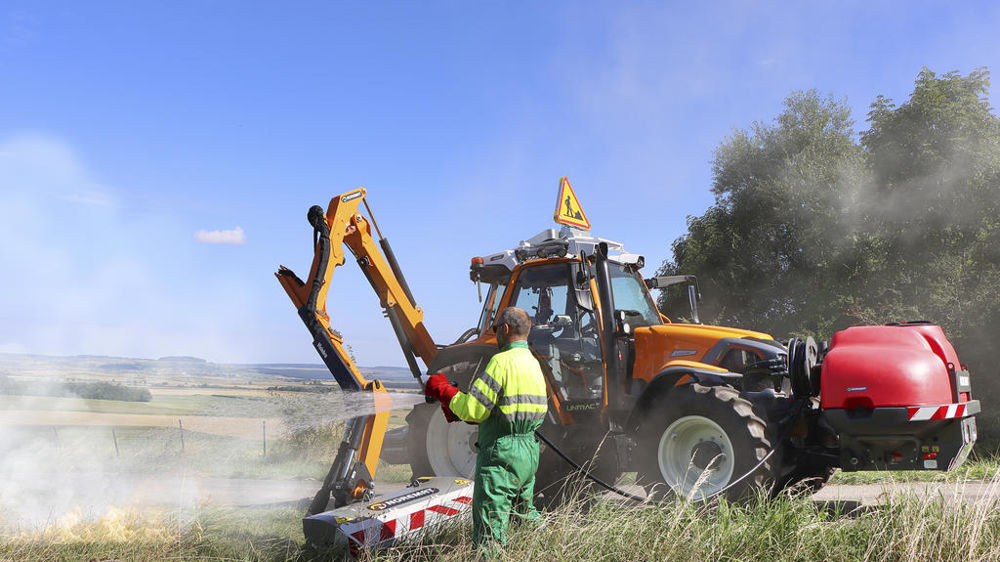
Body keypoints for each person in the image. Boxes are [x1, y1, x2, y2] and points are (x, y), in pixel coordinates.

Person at [424, 306, 548, 551]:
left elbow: (474, 410)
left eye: (495, 329)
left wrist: (445, 391)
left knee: (489, 531)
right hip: (528, 451)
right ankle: (549, 549)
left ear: (504, 329)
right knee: (524, 515)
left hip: (501, 455)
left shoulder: (501, 362)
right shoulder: (534, 364)